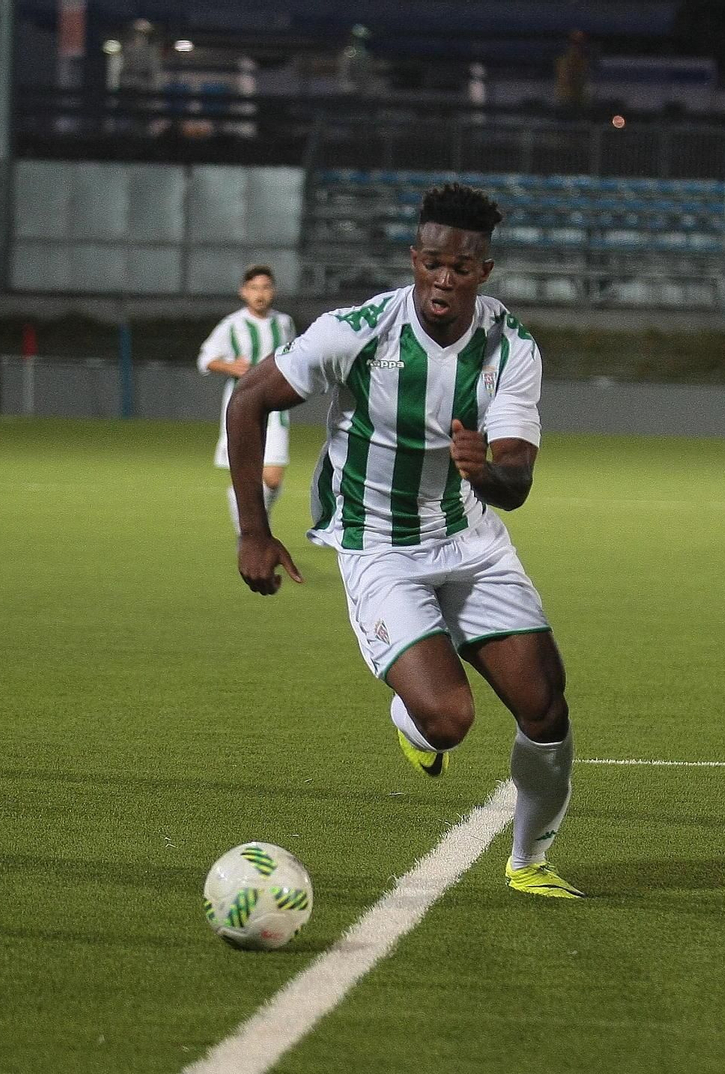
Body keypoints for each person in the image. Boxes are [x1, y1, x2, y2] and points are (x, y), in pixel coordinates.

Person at [225, 184, 582, 899]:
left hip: (470, 539)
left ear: (484, 271)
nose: (443, 279)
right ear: (414, 259)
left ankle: (530, 862)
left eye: (462, 266)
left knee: (545, 706)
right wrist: (254, 532)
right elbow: (249, 400)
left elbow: (517, 478)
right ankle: (417, 721)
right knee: (449, 720)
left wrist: (487, 475)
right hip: (377, 544)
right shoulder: (357, 331)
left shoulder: (509, 346)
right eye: (432, 262)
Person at [198, 265, 297, 536]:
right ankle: (249, 534)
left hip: (277, 410)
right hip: (242, 407)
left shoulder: (284, 323)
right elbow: (205, 359)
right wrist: (231, 367)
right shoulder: (232, 325)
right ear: (244, 292)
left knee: (273, 479)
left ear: (273, 291)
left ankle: (255, 527)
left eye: (265, 287)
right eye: (254, 288)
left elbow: (295, 357)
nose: (260, 294)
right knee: (247, 475)